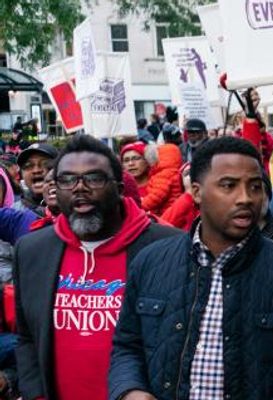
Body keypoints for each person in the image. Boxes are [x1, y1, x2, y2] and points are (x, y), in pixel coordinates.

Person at [108, 137, 273, 399]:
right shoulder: (151, 263)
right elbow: (127, 345)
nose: (246, 198)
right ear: (196, 191)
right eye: (229, 186)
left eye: (255, 187)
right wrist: (130, 390)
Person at [13, 135, 179, 400]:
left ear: (120, 188)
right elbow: (27, 338)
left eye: (94, 178)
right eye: (67, 179)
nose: (80, 188)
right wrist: (36, 395)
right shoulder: (32, 250)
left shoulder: (169, 248)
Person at [12, 143, 56, 215]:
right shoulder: (14, 213)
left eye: (45, 164)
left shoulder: (72, 207)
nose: (36, 170)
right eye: (28, 165)